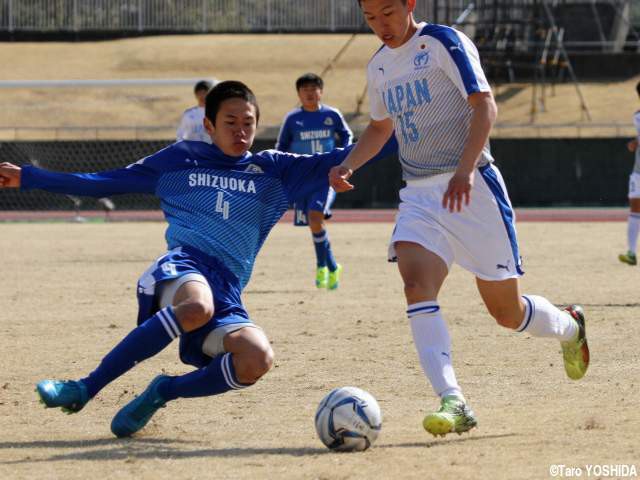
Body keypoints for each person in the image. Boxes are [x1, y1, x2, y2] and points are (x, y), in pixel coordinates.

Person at [0, 80, 393, 438]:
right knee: (196, 305)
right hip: (185, 265)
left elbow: (360, 149)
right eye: (230, 122)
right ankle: (84, 388)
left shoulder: (276, 170)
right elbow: (103, 181)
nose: (241, 131)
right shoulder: (180, 159)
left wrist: (415, 125)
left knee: (257, 358)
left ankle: (163, 391)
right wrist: (29, 177)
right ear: (209, 125)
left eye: (248, 123)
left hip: (229, 288)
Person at [329, 0, 590, 438]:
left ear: (410, 4)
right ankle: (454, 400)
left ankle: (569, 326)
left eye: (388, 12)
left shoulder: (443, 42)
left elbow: (484, 105)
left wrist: (466, 170)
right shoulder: (378, 66)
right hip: (419, 195)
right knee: (416, 285)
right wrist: (349, 164)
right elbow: (380, 127)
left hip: (474, 190)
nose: (381, 25)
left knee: (506, 313)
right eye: (370, 17)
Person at [276, 73, 353, 289]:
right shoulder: (292, 118)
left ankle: (321, 266)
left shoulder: (332, 114)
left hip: (325, 175)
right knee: (314, 222)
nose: (309, 93)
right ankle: (332, 266)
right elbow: (281, 146)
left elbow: (347, 136)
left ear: (321, 91)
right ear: (299, 94)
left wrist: (341, 156)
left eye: (313, 89)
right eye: (304, 90)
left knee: (315, 216)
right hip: (302, 176)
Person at [618, 81, 640, 266]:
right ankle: (632, 253)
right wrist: (635, 143)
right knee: (635, 208)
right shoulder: (638, 116)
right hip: (638, 171)